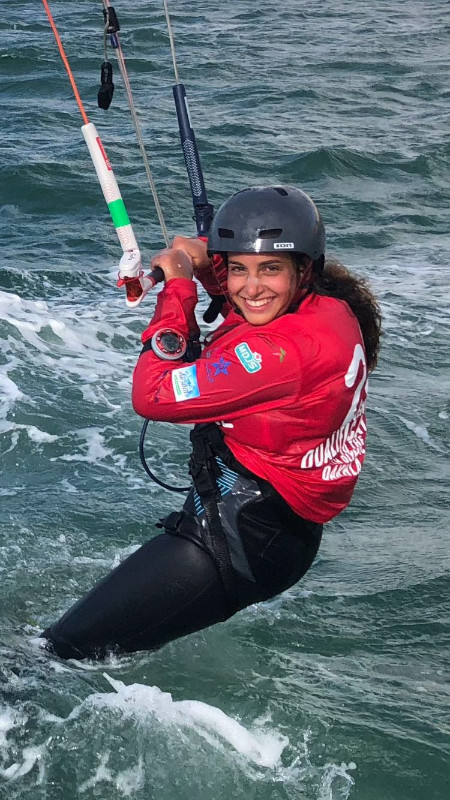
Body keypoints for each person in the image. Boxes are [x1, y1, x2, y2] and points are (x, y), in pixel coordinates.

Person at [42, 185, 381, 660]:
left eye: (270, 269)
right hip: (271, 523)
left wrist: (179, 289)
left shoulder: (282, 355)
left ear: (304, 270)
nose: (251, 287)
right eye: (239, 268)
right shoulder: (332, 310)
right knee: (88, 646)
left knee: (57, 651)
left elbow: (153, 393)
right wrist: (207, 267)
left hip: (243, 539)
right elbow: (251, 309)